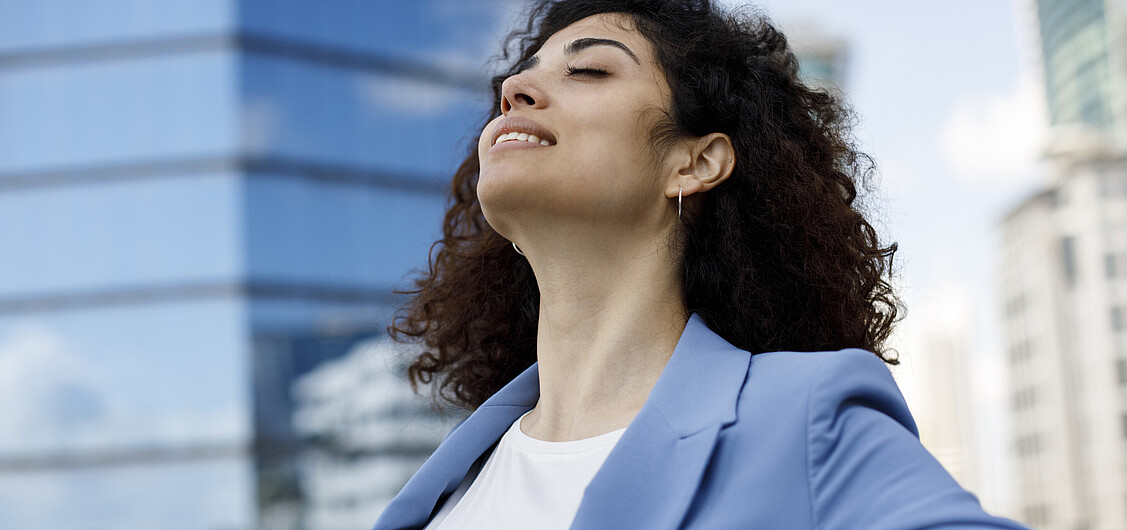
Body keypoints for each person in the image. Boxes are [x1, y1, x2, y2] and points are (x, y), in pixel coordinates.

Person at [374, 0, 1031, 528]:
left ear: (695, 162)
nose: (515, 86)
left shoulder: (807, 421)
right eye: (520, 75)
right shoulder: (454, 481)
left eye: (589, 70)